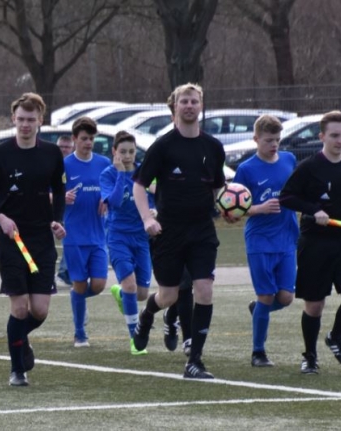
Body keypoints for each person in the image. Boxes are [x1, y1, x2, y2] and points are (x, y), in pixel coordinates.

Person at [132, 83, 226, 379]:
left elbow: (218, 187)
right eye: (184, 101)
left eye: (194, 101)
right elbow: (139, 186)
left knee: (204, 290)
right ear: (175, 107)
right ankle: (148, 314)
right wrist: (147, 218)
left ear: (201, 106)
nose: (189, 105)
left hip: (202, 230)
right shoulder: (163, 146)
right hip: (169, 231)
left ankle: (195, 361)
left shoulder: (213, 147)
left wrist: (226, 207)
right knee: (169, 296)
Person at [0, 92, 65, 387]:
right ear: (13, 118)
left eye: (31, 119)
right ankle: (17, 370)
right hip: (12, 239)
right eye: (21, 119)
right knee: (20, 308)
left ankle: (19, 337)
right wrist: (0, 217)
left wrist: (58, 220)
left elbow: (59, 191)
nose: (25, 124)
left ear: (40, 120)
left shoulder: (52, 153)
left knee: (39, 310)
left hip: (41, 240)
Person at [280, 111, 341, 374]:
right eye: (335, 136)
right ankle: (310, 357)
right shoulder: (309, 167)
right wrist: (312, 210)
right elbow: (286, 197)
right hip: (315, 243)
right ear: (322, 137)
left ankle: (336, 337)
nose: (340, 141)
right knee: (315, 305)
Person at [230, 114, 298, 367]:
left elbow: (298, 191)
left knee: (286, 297)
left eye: (278, 140)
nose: (274, 145)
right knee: (267, 296)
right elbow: (233, 209)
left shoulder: (289, 160)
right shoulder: (246, 170)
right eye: (269, 140)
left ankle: (259, 309)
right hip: (260, 241)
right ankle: (258, 352)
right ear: (256, 139)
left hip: (287, 237)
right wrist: (259, 208)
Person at [62, 117, 112, 348]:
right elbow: (50, 194)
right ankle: (80, 334)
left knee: (99, 284)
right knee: (80, 284)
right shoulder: (64, 165)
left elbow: (113, 188)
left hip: (98, 235)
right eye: (84, 139)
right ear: (74, 139)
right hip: (74, 236)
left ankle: (77, 299)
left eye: (91, 139)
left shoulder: (103, 163)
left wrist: (107, 199)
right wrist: (62, 197)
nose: (88, 143)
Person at [101, 131, 152, 355]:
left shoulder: (144, 172)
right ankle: (135, 340)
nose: (128, 156)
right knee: (130, 284)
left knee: (141, 294)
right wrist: (121, 174)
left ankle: (121, 295)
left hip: (141, 238)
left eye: (131, 151)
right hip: (118, 237)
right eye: (123, 152)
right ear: (114, 152)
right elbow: (115, 203)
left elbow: (155, 198)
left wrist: (154, 211)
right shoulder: (108, 174)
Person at [55, 135, 74, 287]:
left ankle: (64, 271)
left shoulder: (74, 165)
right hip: (50, 209)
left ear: (72, 148)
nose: (63, 150)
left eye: (67, 147)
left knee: (70, 237)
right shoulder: (52, 165)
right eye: (61, 147)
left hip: (70, 210)